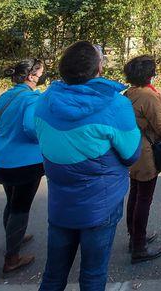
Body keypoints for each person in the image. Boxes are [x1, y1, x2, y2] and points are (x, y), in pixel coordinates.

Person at [34, 41, 141, 291]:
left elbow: (42, 139)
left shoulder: (45, 101)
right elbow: (131, 154)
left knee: (52, 275)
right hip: (100, 204)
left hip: (61, 202)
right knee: (93, 275)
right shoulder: (115, 105)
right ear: (98, 69)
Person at [0, 58, 46, 274]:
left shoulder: (5, 97)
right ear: (31, 76)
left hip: (1, 160)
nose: (41, 77)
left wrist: (9, 137)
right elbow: (31, 129)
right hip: (26, 163)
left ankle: (15, 238)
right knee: (21, 208)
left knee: (11, 202)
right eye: (40, 73)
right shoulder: (32, 99)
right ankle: (12, 258)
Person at [123, 55, 161, 263]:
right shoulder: (148, 96)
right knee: (144, 197)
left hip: (132, 149)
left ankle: (134, 234)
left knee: (135, 193)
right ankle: (139, 246)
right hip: (145, 152)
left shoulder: (129, 93)